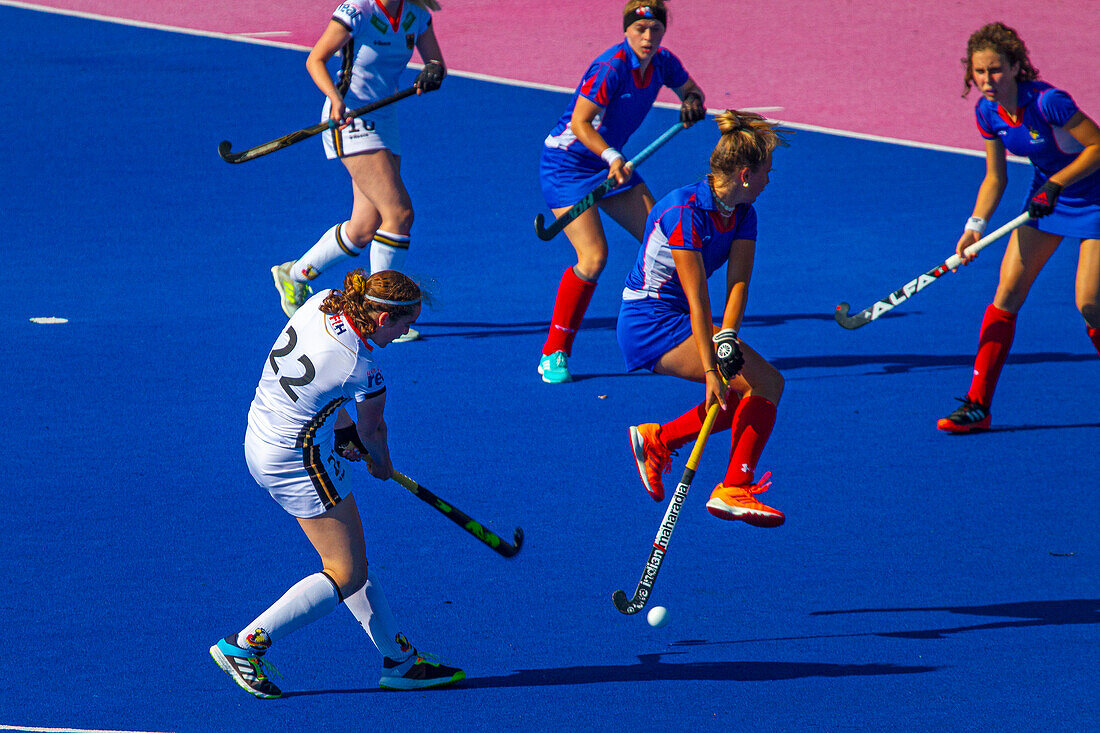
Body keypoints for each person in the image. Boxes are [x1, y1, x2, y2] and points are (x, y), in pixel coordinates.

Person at [210, 269, 464, 697]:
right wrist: (381, 464)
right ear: (384, 320)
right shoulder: (363, 369)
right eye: (406, 323)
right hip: (298, 460)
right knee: (345, 572)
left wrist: (342, 434)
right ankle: (245, 645)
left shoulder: (325, 301)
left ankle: (399, 660)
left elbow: (322, 391)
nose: (406, 332)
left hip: (263, 432)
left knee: (352, 558)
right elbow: (374, 434)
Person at [619, 110, 790, 527]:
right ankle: (732, 488)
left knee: (748, 389)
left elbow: (737, 284)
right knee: (763, 383)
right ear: (745, 174)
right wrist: (713, 367)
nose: (770, 179)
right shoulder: (685, 211)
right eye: (766, 172)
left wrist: (728, 338)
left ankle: (658, 439)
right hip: (649, 322)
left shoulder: (744, 214)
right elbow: (698, 298)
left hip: (678, 316)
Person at [937, 22, 1100, 433]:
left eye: (995, 70)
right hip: (1047, 201)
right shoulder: (987, 112)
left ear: (1014, 67)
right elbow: (995, 177)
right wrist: (975, 227)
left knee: (1090, 303)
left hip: (1094, 198)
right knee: (1005, 295)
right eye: (979, 72)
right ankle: (977, 406)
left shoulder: (1050, 102)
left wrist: (1058, 183)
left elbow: (1098, 146)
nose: (988, 80)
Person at [536, 0, 706, 383]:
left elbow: (691, 90)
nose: (648, 38)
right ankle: (554, 352)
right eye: (640, 30)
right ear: (626, 30)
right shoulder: (610, 68)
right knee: (594, 257)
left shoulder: (664, 63)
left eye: (655, 30)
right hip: (568, 167)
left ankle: (673, 333)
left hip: (610, 164)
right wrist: (613, 157)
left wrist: (692, 102)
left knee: (663, 236)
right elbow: (581, 123)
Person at [271, 0, 447, 345]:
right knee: (399, 214)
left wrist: (433, 72)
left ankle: (295, 274)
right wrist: (335, 99)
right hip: (349, 116)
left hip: (385, 118)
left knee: (364, 227)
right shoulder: (358, 10)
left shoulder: (417, 16)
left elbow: (436, 62)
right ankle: (381, 311)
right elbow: (315, 59)